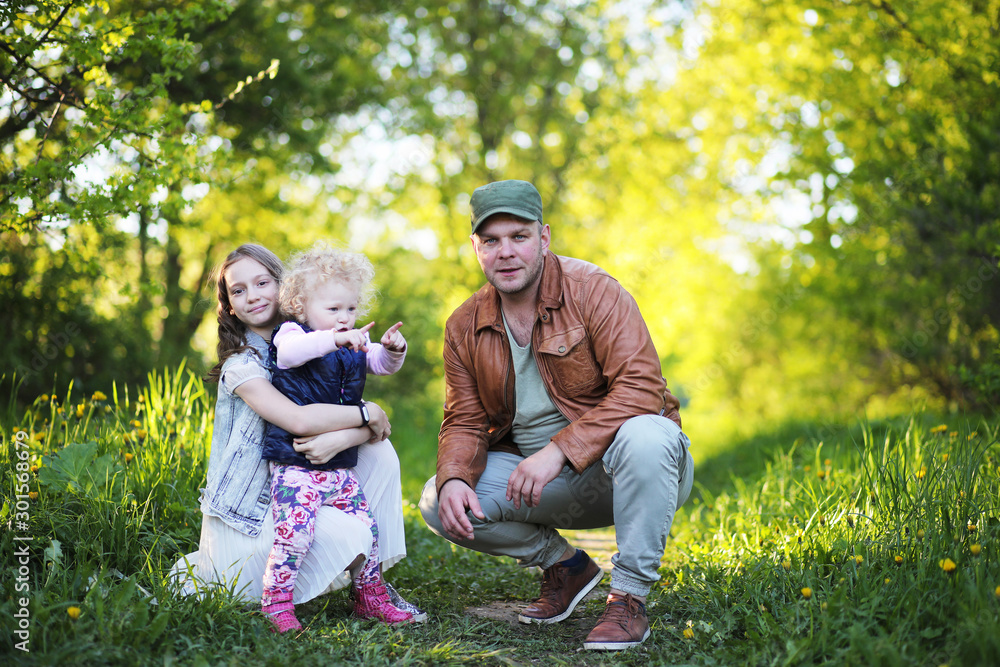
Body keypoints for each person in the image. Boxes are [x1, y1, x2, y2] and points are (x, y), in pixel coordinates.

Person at [419, 180, 693, 651]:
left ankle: (627, 598)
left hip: (628, 471)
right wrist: (455, 477)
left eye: (519, 236)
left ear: (544, 238)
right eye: (491, 240)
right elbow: (463, 419)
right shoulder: (464, 325)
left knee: (649, 434)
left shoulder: (595, 291)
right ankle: (565, 568)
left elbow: (642, 388)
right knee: (437, 499)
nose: (505, 252)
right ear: (476, 248)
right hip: (543, 483)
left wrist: (559, 450)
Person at [170, 243, 424, 629]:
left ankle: (371, 589)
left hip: (301, 479)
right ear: (230, 305)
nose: (252, 295)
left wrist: (344, 436)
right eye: (238, 290)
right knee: (355, 527)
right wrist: (367, 414)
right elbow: (300, 420)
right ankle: (276, 597)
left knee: (381, 452)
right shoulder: (243, 365)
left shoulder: (319, 336)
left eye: (262, 282)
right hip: (250, 520)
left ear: (284, 287)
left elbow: (356, 378)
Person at [260, 244, 413, 631]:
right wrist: (334, 338)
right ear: (302, 305)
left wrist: (395, 350)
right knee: (294, 532)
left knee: (368, 532)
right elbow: (292, 355)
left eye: (350, 309)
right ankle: (277, 602)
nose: (344, 318)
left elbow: (379, 362)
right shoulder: (293, 334)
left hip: (340, 465)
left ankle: (369, 595)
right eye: (333, 310)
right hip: (296, 462)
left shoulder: (352, 340)